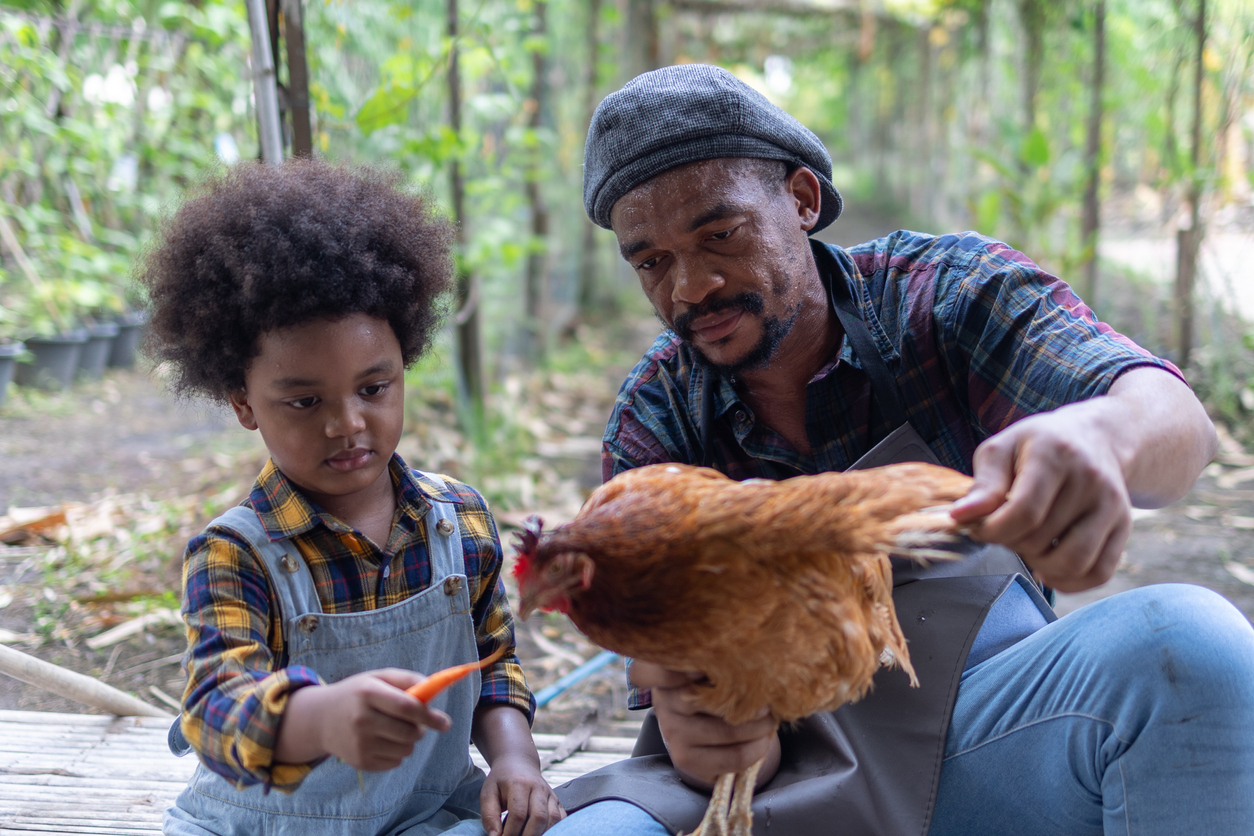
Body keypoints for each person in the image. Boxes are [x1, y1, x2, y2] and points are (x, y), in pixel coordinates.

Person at [547, 64, 1254, 836]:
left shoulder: (943, 296)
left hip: (982, 732)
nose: (690, 287)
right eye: (651, 261)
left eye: (721, 234)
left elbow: (1175, 419)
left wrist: (1101, 436)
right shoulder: (655, 422)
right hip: (779, 780)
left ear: (802, 199)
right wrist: (707, 738)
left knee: (1187, 648)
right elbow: (684, 722)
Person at [142, 161, 564, 836]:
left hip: (423, 815)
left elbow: (493, 667)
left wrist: (517, 760)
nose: (347, 424)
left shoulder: (460, 523)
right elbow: (215, 710)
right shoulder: (234, 555)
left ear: (405, 366)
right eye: (305, 401)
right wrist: (319, 720)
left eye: (374, 388)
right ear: (244, 402)